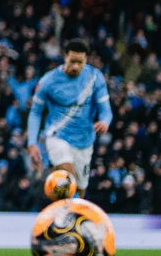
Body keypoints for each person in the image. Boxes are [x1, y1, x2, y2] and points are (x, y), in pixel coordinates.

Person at [28, 39, 112, 199]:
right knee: (68, 177)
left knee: (79, 192)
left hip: (84, 141)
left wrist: (105, 122)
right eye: (72, 61)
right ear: (64, 56)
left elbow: (106, 109)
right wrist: (32, 142)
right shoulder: (48, 81)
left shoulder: (95, 78)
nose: (75, 66)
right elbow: (35, 112)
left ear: (86, 59)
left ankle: (64, 218)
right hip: (57, 136)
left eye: (80, 62)